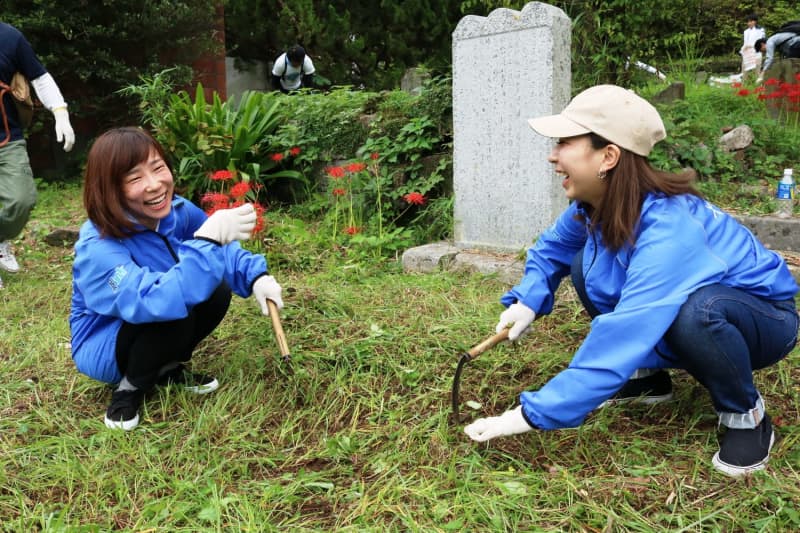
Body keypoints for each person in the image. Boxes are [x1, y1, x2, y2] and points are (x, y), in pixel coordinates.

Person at [463, 85, 799, 477]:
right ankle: (647, 381)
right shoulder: (594, 208)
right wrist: (528, 300)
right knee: (581, 264)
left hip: (764, 322)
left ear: (608, 156)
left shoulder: (670, 228)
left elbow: (623, 333)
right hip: (709, 309)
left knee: (698, 312)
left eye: (564, 143)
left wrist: (530, 414)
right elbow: (549, 251)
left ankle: (746, 415)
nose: (553, 157)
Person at [69, 127, 284, 431]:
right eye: (135, 178)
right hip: (104, 340)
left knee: (215, 289)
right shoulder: (99, 246)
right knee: (174, 312)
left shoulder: (177, 212)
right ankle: (129, 388)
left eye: (158, 168)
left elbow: (220, 253)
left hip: (158, 313)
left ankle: (166, 367)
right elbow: (148, 300)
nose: (154, 184)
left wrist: (255, 276)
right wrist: (208, 240)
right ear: (110, 189)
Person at [0, 22, 75, 288]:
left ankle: (1, 238)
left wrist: (60, 112)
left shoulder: (9, 37)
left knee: (23, 200)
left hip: (7, 139)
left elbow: (40, 77)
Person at [740, 14, 765, 81]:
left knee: (756, 73)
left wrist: (751, 46)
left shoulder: (760, 30)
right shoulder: (746, 31)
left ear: (755, 21)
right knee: (745, 73)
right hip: (747, 55)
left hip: (756, 53)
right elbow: (745, 42)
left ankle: (758, 89)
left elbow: (760, 41)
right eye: (748, 22)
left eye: (751, 21)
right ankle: (744, 88)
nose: (749, 23)